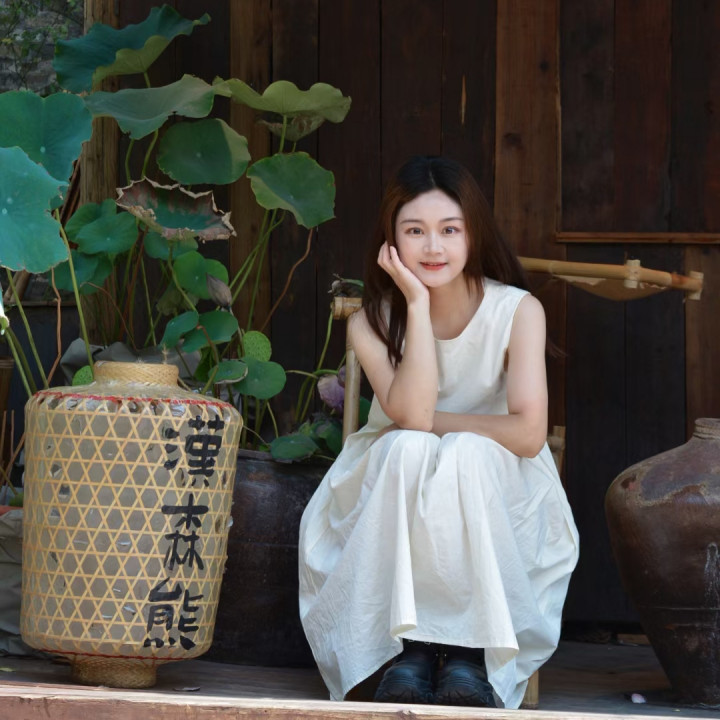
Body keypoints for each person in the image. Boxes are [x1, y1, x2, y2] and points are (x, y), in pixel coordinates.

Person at [298, 156, 579, 708]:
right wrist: (417, 304)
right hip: (391, 482)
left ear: (474, 233)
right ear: (391, 241)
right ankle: (412, 650)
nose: (433, 247)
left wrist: (437, 429)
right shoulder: (371, 320)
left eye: (450, 230)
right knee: (408, 447)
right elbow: (410, 415)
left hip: (498, 485)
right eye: (414, 231)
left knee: (463, 454)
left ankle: (468, 652)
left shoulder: (518, 311)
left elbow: (527, 435)